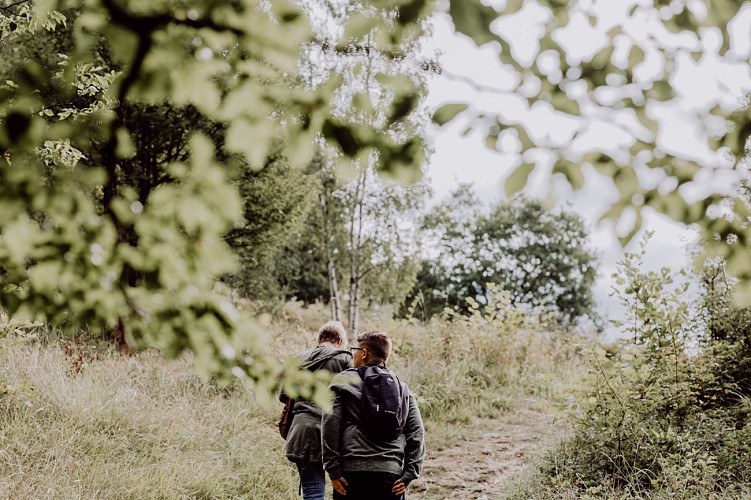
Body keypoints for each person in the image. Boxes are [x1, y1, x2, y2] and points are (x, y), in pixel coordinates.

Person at [322, 330, 425, 499]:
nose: (352, 354)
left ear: (364, 353)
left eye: (354, 349)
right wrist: (410, 473)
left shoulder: (344, 381)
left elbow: (329, 424)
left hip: (351, 475)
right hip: (390, 476)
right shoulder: (401, 388)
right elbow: (416, 432)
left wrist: (332, 469)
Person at [282, 321, 353, 500]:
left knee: (313, 493)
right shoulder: (346, 359)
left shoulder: (299, 358)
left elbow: (284, 395)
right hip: (339, 435)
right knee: (345, 490)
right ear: (341, 340)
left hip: (303, 431)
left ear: (319, 339)